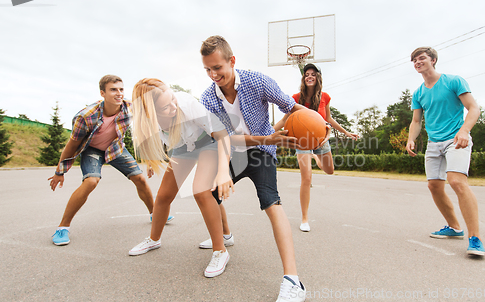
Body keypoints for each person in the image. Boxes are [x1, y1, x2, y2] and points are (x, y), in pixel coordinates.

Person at [200, 35, 307, 302]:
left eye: (218, 68)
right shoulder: (208, 98)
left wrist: (317, 121)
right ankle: (222, 245)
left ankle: (293, 280)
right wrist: (223, 171)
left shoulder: (257, 82)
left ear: (232, 61)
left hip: (262, 152)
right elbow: (223, 138)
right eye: (208, 70)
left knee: (272, 202)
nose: (214, 74)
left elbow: (291, 106)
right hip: (234, 149)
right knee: (206, 191)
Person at [127, 78, 234, 278]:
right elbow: (153, 140)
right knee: (164, 195)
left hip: (209, 140)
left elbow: (222, 135)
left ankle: (221, 251)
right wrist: (150, 161)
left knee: (201, 191)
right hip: (184, 145)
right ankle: (154, 239)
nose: (173, 106)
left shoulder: (186, 104)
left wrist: (222, 171)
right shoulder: (145, 123)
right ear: (150, 113)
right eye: (166, 107)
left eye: (172, 99)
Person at [49, 75, 155, 246]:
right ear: (102, 93)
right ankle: (62, 228)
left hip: (116, 148)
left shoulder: (130, 108)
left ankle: (155, 214)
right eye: (113, 89)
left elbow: (144, 131)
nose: (119, 93)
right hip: (93, 150)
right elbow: (72, 144)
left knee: (140, 178)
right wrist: (60, 171)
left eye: (121, 89)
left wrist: (150, 159)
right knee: (91, 181)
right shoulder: (86, 116)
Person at [406, 47, 484, 256]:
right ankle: (454, 228)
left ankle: (475, 238)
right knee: (434, 186)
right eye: (414, 60)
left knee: (457, 182)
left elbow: (473, 108)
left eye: (421, 58)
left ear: (433, 60)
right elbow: (416, 120)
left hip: (456, 139)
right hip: (434, 143)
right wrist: (410, 139)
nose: (417, 62)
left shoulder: (453, 81)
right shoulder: (419, 93)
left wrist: (465, 131)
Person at [274, 63, 358, 232]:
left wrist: (346, 132)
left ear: (318, 77)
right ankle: (304, 218)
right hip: (302, 140)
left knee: (329, 170)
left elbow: (329, 119)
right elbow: (284, 120)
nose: (309, 76)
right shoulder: (296, 97)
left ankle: (315, 157)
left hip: (321, 139)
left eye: (312, 74)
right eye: (306, 74)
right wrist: (266, 134)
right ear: (303, 79)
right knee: (307, 178)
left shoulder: (325, 97)